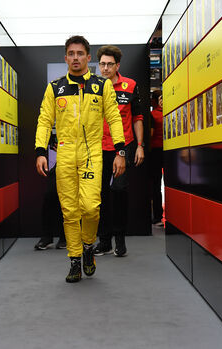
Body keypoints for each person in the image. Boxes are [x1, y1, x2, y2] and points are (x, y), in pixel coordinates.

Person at [34, 36, 126, 283]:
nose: (75, 57)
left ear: (88, 57)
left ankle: (88, 246)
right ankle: (75, 260)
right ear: (66, 58)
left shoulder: (101, 85)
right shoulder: (55, 88)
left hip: (92, 153)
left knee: (91, 207)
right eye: (71, 53)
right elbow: (44, 120)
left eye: (80, 53)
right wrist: (41, 151)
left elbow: (114, 118)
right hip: (64, 154)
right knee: (70, 211)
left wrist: (120, 151)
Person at [94, 45, 144, 257]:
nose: (105, 68)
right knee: (100, 195)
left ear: (117, 66)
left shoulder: (130, 85)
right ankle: (104, 241)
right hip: (98, 148)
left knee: (119, 191)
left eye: (109, 64)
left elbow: (137, 117)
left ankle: (120, 239)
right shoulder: (92, 86)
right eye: (102, 64)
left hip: (123, 148)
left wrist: (140, 146)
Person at [34, 131, 66, 250]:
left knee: (68, 199)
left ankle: (65, 237)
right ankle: (47, 237)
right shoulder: (47, 117)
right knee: (49, 195)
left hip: (74, 160)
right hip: (53, 162)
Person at [149, 90, 164, 226]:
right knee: (156, 185)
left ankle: (159, 217)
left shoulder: (153, 115)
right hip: (159, 152)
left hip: (160, 152)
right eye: (161, 98)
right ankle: (158, 216)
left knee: (158, 185)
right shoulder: (153, 115)